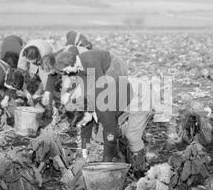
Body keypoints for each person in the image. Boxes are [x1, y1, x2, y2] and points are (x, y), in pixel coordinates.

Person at [55, 46, 151, 175]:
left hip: (140, 97)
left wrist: (105, 164)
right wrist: (83, 152)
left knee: (132, 136)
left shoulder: (102, 109)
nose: (82, 124)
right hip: (120, 96)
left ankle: (140, 169)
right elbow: (85, 127)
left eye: (81, 122)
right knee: (114, 128)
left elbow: (110, 137)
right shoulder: (86, 108)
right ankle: (123, 155)